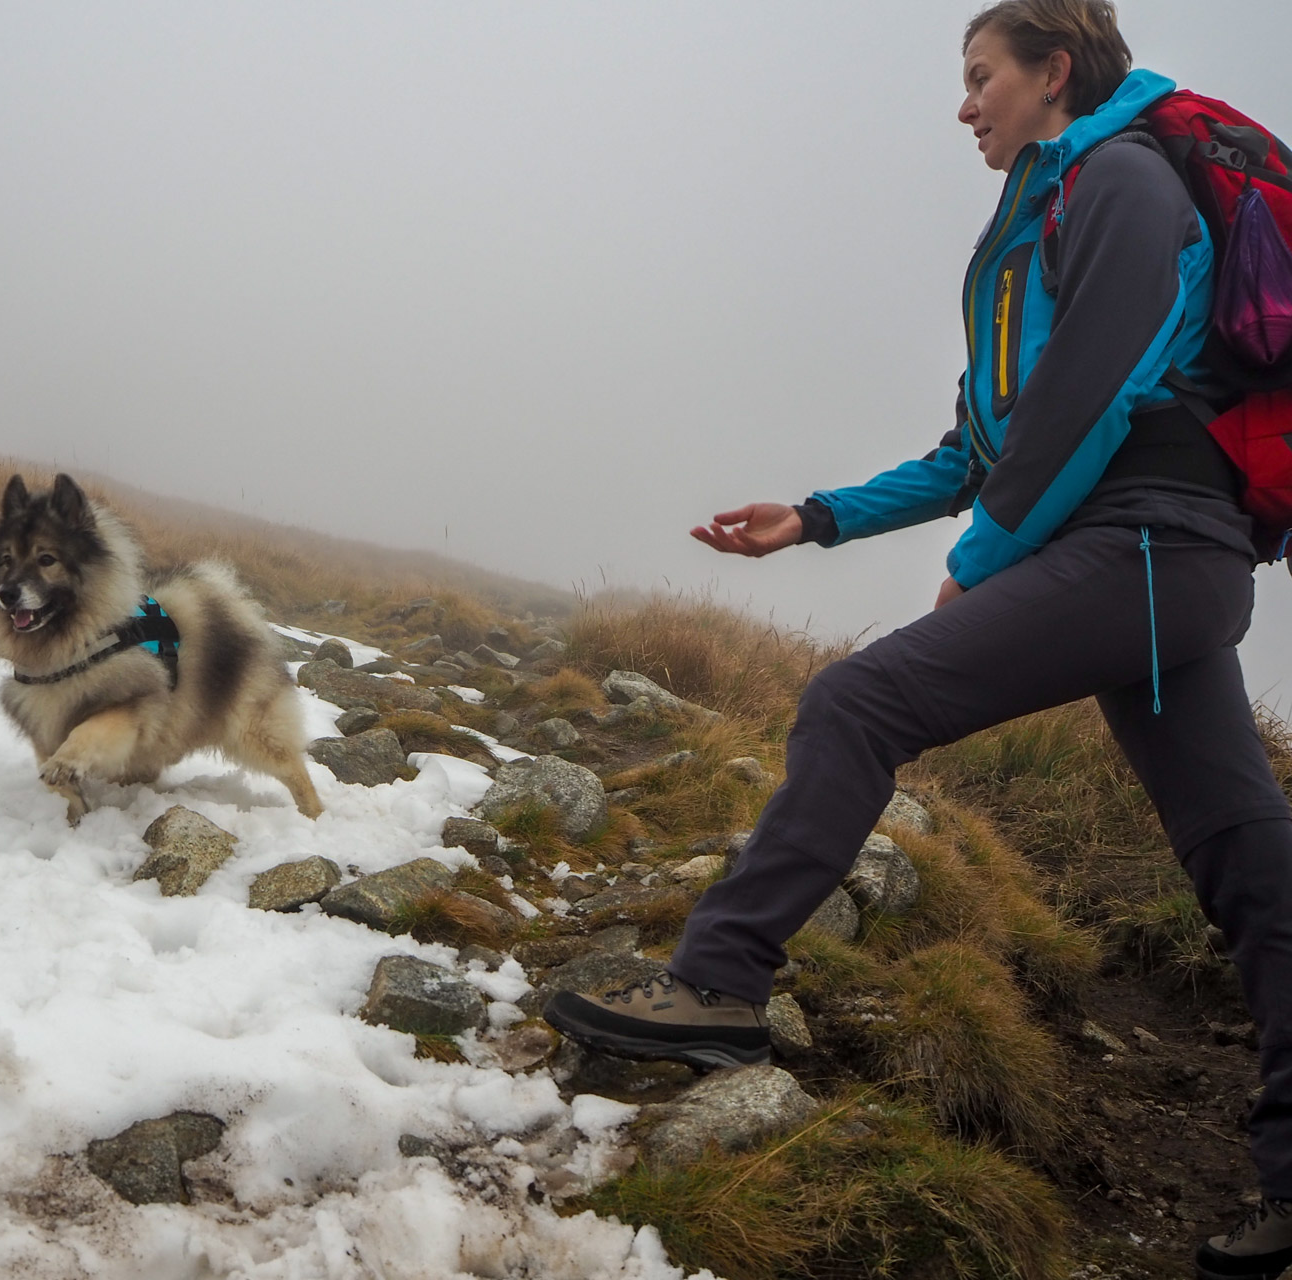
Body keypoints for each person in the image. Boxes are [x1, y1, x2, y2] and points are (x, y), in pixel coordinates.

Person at [539, 4, 1292, 1276]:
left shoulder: (1114, 180)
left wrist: (978, 560)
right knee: (1252, 866)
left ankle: (720, 980)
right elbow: (976, 445)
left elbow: (1090, 395)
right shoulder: (1032, 228)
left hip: (1147, 549)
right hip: (1156, 569)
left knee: (856, 702)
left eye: (980, 77)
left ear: (1054, 72)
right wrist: (818, 517)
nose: (964, 106)